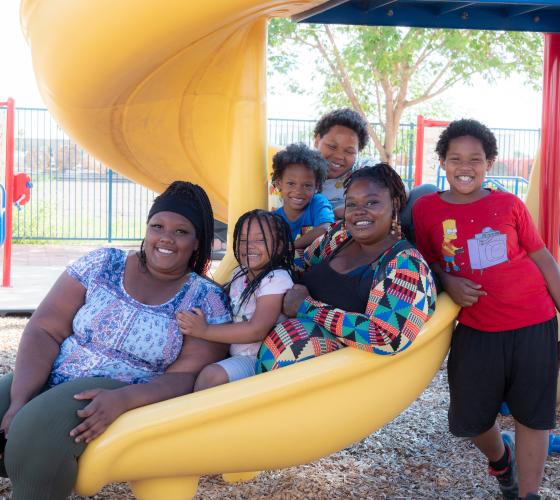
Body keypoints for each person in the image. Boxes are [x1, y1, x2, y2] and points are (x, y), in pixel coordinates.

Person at [0, 181, 232, 500]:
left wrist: (124, 400)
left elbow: (187, 377)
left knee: (37, 440)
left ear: (198, 242)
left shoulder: (205, 299)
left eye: (181, 231)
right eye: (157, 226)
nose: (166, 237)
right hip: (57, 371)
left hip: (119, 388)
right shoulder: (104, 263)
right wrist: (19, 400)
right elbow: (45, 328)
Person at [412, 119, 560, 500]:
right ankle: (501, 458)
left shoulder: (508, 204)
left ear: (489, 162)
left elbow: (541, 256)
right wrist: (447, 280)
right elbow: (425, 264)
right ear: (442, 162)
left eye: (475, 159)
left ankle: (528, 494)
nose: (466, 167)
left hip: (535, 321)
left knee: (534, 415)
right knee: (470, 420)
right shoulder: (427, 210)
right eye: (456, 158)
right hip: (477, 329)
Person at [256, 164, 437, 372]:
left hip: (341, 380)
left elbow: (387, 337)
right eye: (351, 204)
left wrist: (306, 307)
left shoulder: (405, 265)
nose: (359, 212)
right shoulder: (342, 236)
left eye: (372, 202)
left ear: (395, 204)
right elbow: (302, 260)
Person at [177, 209, 294, 390]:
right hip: (235, 352)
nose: (249, 246)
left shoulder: (275, 279)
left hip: (258, 358)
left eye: (260, 240)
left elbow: (257, 330)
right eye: (244, 240)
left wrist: (204, 330)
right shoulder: (240, 273)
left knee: (211, 377)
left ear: (279, 246)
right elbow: (218, 294)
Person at [313, 108, 375, 219]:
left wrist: (348, 209)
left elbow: (400, 189)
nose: (339, 156)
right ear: (317, 140)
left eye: (349, 151)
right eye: (332, 146)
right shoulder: (301, 169)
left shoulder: (363, 168)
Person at [272, 143, 335, 251]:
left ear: (317, 186)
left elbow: (326, 228)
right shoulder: (273, 219)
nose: (298, 191)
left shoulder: (317, 202)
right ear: (279, 183)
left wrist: (290, 246)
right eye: (291, 183)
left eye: (307, 185)